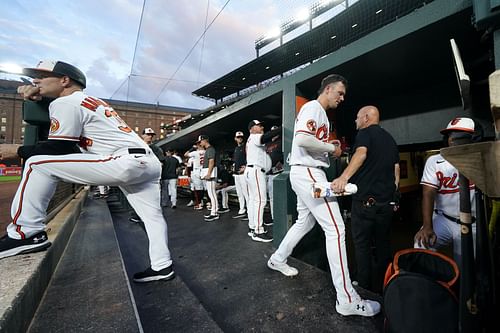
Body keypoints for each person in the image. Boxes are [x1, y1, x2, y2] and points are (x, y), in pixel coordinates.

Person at [0, 60, 174, 283]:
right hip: (147, 161)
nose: (35, 80)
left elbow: (59, 147)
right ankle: (162, 266)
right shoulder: (89, 101)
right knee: (153, 217)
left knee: (37, 164)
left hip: (125, 161)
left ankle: (25, 232)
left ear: (65, 80)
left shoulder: (65, 103)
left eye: (41, 76)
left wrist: (17, 150)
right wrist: (40, 99)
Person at [267, 74, 381, 317]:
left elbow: (309, 143)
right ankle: (347, 299)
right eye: (339, 93)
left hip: (305, 172)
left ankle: (277, 258)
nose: (342, 98)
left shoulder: (322, 115)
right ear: (328, 89)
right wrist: (332, 147)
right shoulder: (313, 107)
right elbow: (302, 139)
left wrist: (328, 149)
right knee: (337, 230)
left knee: (303, 222)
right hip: (308, 173)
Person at [331, 105, 400, 294]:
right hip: (386, 204)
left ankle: (363, 288)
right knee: (383, 246)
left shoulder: (364, 134)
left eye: (357, 117)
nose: (355, 121)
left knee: (362, 247)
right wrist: (393, 194)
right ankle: (385, 287)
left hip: (365, 203)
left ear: (366, 118)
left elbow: (361, 153)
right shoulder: (390, 138)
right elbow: (396, 170)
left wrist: (343, 178)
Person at [414, 117, 476, 266]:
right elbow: (428, 193)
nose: (453, 138)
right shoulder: (435, 160)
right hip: (444, 219)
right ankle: (430, 286)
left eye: (459, 133)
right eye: (450, 134)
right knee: (421, 244)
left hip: (472, 222)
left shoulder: (478, 159)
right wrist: (427, 226)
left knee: (466, 268)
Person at [245, 120, 280, 242]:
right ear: (251, 129)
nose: (261, 127)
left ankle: (253, 227)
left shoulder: (251, 139)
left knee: (254, 201)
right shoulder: (254, 136)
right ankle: (258, 231)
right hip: (255, 171)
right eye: (258, 125)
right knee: (260, 201)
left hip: (252, 171)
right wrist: (283, 127)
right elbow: (266, 137)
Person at [129, 127, 165, 223]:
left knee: (153, 198)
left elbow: (161, 162)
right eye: (148, 135)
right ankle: (136, 215)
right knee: (137, 197)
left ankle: (151, 217)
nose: (150, 137)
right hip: (138, 175)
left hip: (151, 178)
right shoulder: (136, 146)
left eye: (151, 135)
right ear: (142, 135)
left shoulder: (156, 148)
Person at [265, 125, 283, 226]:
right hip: (269, 173)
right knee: (271, 197)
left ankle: (280, 217)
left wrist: (281, 162)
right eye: (273, 132)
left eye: (276, 132)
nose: (274, 134)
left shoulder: (282, 141)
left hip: (279, 172)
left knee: (279, 196)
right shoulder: (267, 144)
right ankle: (273, 217)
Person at [198, 135, 219, 221]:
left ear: (205, 140)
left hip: (211, 173)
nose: (200, 143)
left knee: (212, 193)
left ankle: (214, 213)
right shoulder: (208, 149)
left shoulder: (210, 149)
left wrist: (209, 173)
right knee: (211, 193)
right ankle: (214, 212)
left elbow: (211, 161)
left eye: (200, 141)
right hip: (209, 173)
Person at [232, 131, 248, 219]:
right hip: (236, 173)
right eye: (238, 137)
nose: (240, 138)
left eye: (241, 137)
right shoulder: (236, 148)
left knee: (246, 193)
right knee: (239, 193)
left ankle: (249, 212)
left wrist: (245, 167)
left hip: (243, 173)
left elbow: (249, 157)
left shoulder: (245, 146)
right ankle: (242, 210)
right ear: (235, 138)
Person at [185, 143, 205, 210]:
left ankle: (199, 203)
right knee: (205, 188)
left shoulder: (194, 153)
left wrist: (192, 148)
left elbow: (186, 154)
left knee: (197, 189)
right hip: (204, 171)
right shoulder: (206, 151)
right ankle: (208, 203)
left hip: (196, 172)